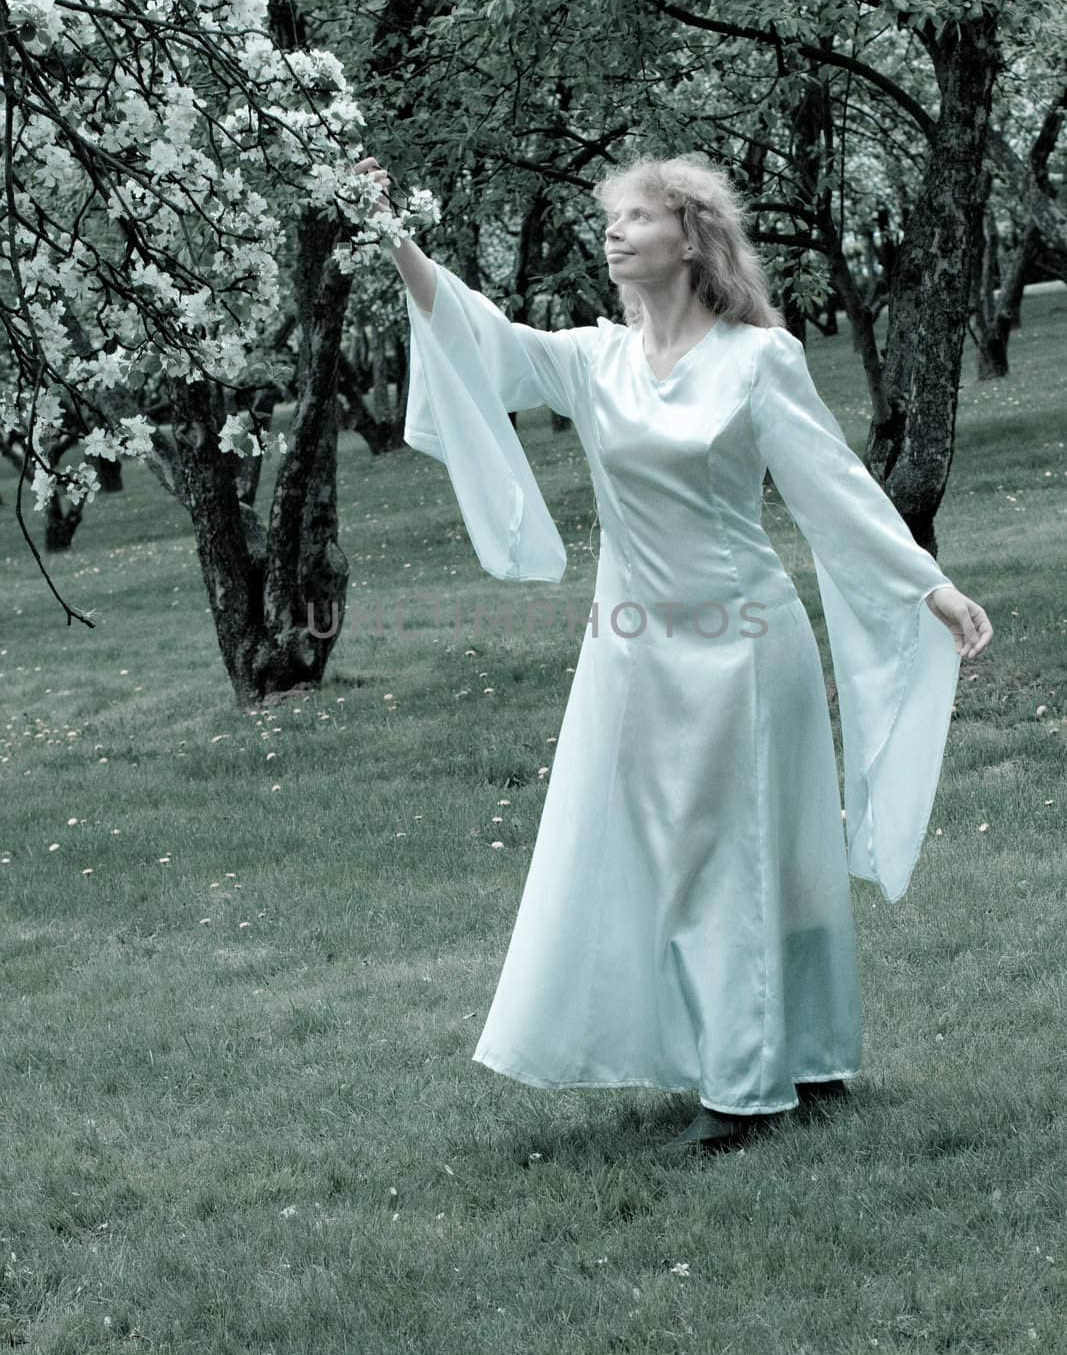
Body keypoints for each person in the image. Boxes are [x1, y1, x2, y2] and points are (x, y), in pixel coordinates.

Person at [363, 150, 993, 1154]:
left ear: (689, 237)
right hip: (632, 647)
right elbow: (479, 341)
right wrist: (393, 235)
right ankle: (807, 1058)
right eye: (608, 218)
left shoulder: (755, 359)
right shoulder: (591, 359)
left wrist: (926, 583)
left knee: (756, 855)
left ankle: (747, 1089)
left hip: (742, 645)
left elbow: (829, 484)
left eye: (636, 216)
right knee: (688, 854)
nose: (613, 232)